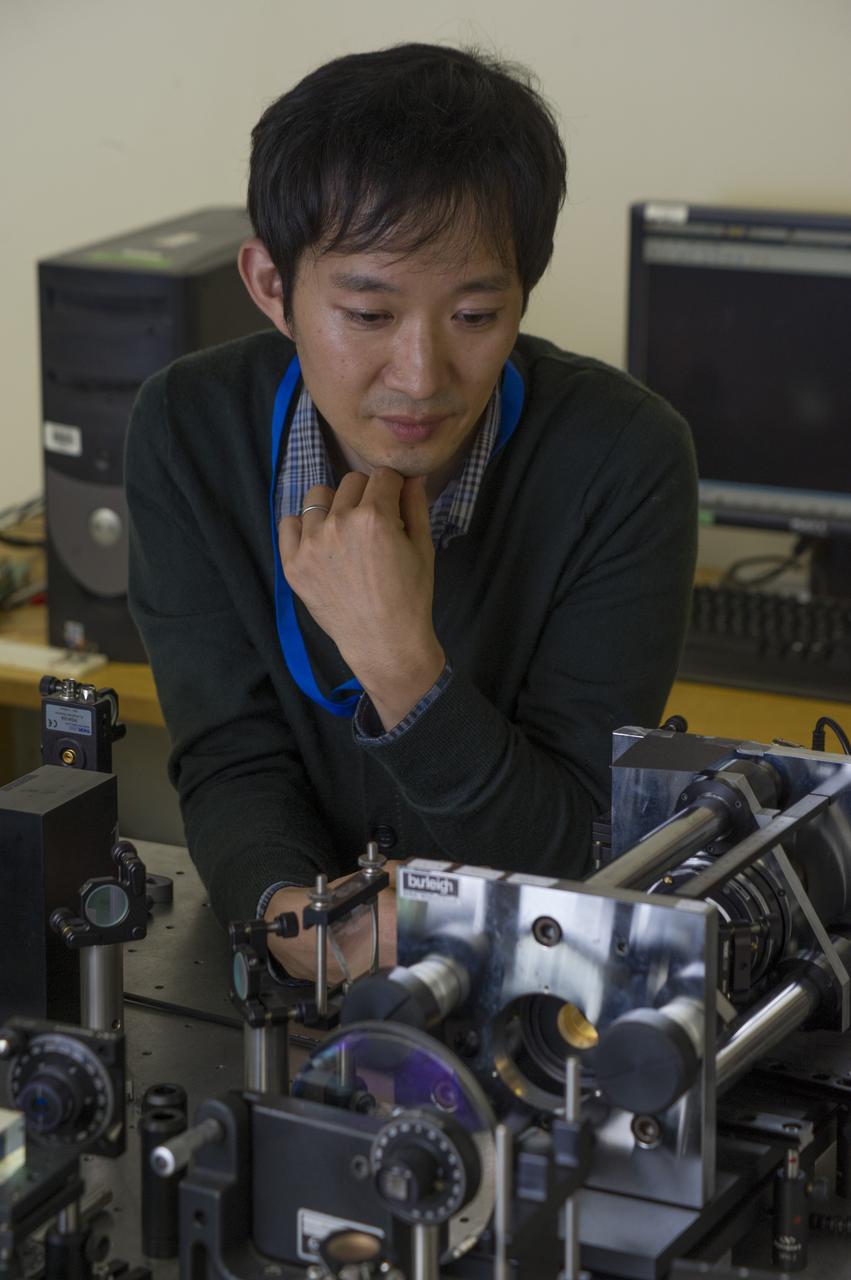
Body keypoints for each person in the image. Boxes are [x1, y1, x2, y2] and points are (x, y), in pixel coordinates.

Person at [126, 43, 697, 980]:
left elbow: (575, 845)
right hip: (291, 964)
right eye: (367, 314)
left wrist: (401, 664)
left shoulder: (624, 457)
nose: (422, 378)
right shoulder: (188, 429)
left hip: (527, 989)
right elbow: (230, 756)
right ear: (272, 286)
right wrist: (302, 929)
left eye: (475, 317)